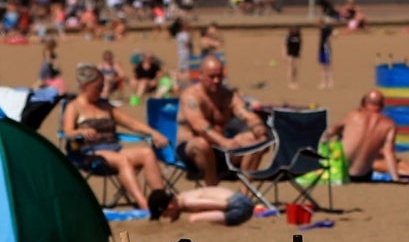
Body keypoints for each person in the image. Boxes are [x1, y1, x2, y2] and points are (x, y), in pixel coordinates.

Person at [59, 63, 166, 210]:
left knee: (146, 153)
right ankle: (145, 205)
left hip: (114, 149)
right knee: (122, 160)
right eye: (98, 87)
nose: (102, 90)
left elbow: (132, 123)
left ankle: (161, 201)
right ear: (85, 86)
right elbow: (67, 132)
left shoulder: (105, 106)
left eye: (103, 86)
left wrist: (155, 134)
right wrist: (81, 132)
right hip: (89, 153)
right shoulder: (74, 107)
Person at [177, 55, 267, 186]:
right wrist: (224, 142)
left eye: (219, 76)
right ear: (200, 75)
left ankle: (245, 196)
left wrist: (259, 131)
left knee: (254, 141)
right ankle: (212, 188)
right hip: (192, 151)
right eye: (211, 77)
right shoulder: (191, 96)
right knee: (202, 143)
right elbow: (199, 125)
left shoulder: (228, 96)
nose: (216, 80)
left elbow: (248, 115)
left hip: (221, 151)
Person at [338, 89, 403, 181]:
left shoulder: (352, 115)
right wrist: (395, 178)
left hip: (339, 173)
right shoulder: (389, 124)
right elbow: (389, 152)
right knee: (389, 161)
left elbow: (328, 134)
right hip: (361, 176)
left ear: (363, 103)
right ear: (382, 105)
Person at [144, 183, 261, 225]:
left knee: (193, 219)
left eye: (165, 215)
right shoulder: (183, 197)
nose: (167, 218)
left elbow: (223, 205)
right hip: (239, 201)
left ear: (170, 206)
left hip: (239, 206)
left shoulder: (188, 201)